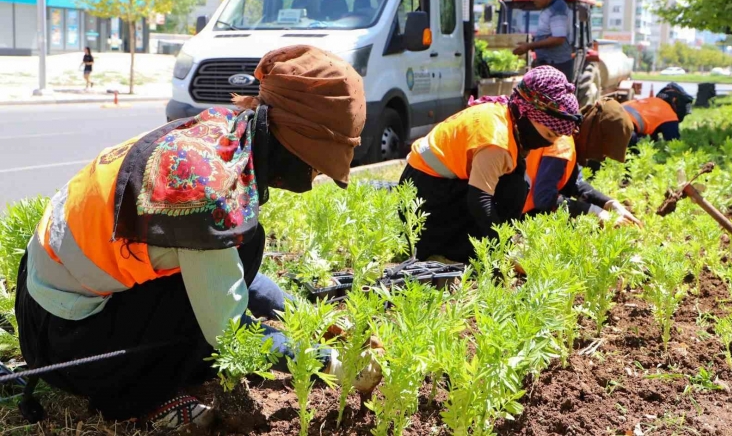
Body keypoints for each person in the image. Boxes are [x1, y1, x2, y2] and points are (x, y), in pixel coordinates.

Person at [15, 45, 381, 430]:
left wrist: (311, 318)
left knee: (240, 250)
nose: (313, 176)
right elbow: (229, 334)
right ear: (290, 141)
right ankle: (142, 397)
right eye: (316, 162)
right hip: (66, 344)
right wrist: (331, 362)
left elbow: (236, 277)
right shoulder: (209, 190)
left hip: (48, 299)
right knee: (209, 316)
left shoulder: (226, 134)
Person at [399, 66, 582, 263]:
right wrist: (504, 249)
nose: (547, 143)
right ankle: (449, 253)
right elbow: (479, 201)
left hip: (430, 184)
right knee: (512, 191)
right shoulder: (497, 142)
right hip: (422, 200)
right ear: (527, 113)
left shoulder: (506, 113)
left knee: (515, 184)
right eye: (547, 135)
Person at [522, 99, 642, 227]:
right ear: (595, 138)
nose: (601, 158)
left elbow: (575, 185)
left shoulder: (570, 140)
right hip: (516, 215)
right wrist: (595, 212)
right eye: (603, 152)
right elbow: (544, 199)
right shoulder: (563, 145)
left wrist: (610, 204)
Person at [512, 0, 574, 82]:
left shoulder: (557, 8)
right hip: (549, 64)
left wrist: (529, 46)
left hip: (557, 66)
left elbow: (558, 39)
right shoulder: (548, 8)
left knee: (554, 97)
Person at [623, 82, 694, 146]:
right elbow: (673, 142)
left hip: (616, 118)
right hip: (623, 127)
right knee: (638, 146)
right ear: (675, 100)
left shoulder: (653, 102)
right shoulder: (669, 115)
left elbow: (651, 134)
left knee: (641, 137)